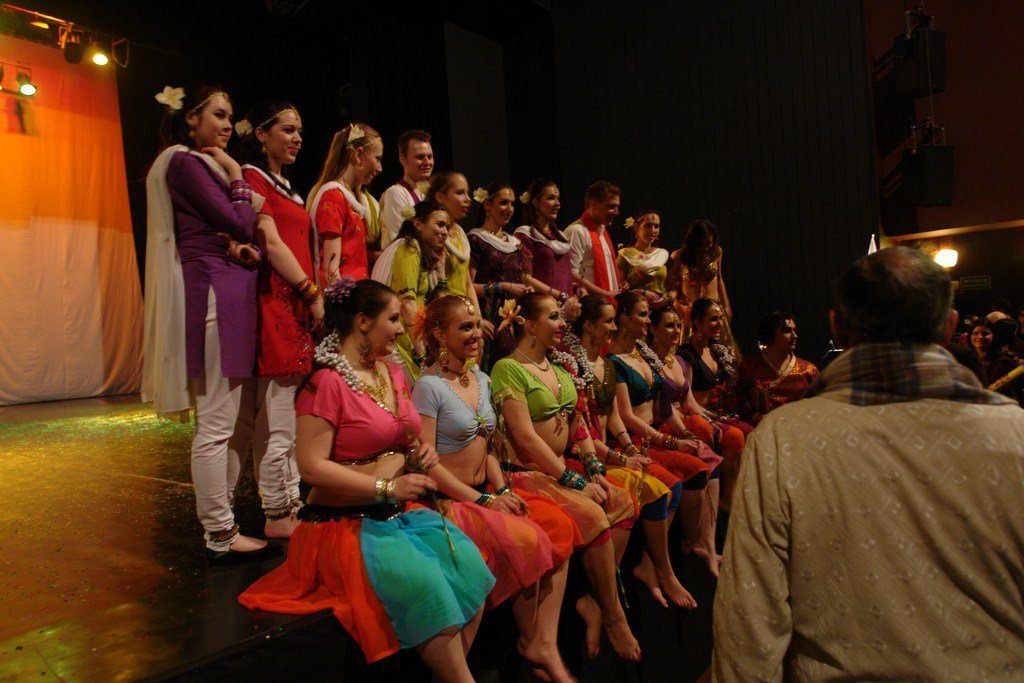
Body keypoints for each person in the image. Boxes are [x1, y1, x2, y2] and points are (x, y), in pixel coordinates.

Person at [713, 246, 1024, 681]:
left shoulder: (783, 441)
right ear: (950, 326)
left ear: (836, 326)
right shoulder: (1014, 435)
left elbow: (748, 625)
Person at [239, 279, 494, 681]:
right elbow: (311, 466)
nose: (401, 329)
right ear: (362, 321)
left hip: (394, 517)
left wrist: (418, 454)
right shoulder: (327, 383)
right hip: (344, 527)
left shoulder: (391, 373)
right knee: (428, 586)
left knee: (472, 569)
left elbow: (402, 436)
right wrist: (387, 487)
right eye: (392, 319)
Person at [412, 294, 575, 683]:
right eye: (464, 327)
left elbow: (486, 446)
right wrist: (483, 500)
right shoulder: (428, 387)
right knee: (523, 540)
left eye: (476, 326)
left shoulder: (482, 379)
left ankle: (539, 640)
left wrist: (500, 490)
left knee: (555, 526)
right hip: (447, 500)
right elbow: (428, 464)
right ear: (439, 334)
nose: (475, 334)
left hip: (485, 491)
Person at [144, 84, 272, 561]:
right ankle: (218, 532)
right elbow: (240, 221)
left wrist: (239, 245)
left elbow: (233, 230)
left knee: (232, 420)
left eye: (229, 116)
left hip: (230, 293)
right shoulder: (184, 162)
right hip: (213, 295)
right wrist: (238, 175)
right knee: (216, 423)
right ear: (190, 119)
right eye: (218, 114)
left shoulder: (200, 164)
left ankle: (224, 522)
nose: (226, 125)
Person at [490, 292, 641, 662]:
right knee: (592, 514)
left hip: (562, 469)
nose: (562, 324)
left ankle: (594, 599)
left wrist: (594, 469)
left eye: (561, 317)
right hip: (529, 473)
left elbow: (579, 426)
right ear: (529, 325)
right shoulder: (508, 368)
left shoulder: (560, 368)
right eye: (554, 317)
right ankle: (613, 614)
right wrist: (574, 481)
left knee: (622, 501)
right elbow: (525, 437)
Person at [561, 295, 695, 609]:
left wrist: (632, 449)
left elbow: (614, 419)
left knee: (669, 487)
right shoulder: (570, 367)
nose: (613, 327)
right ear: (588, 325)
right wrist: (622, 457)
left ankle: (644, 574)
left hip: (607, 448)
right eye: (608, 321)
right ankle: (606, 594)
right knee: (640, 494)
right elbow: (581, 432)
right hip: (585, 453)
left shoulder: (605, 364)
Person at [234, 100, 319, 537]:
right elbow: (269, 242)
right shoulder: (251, 177)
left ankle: (288, 502)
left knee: (286, 416)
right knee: (278, 418)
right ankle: (278, 511)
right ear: (262, 134)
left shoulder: (287, 187)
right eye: (287, 129)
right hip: (277, 301)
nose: (297, 138)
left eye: (299, 131)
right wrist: (310, 291)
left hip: (296, 303)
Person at [609, 290, 722, 576]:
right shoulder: (614, 360)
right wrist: (670, 441)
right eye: (643, 315)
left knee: (705, 459)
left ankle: (698, 543)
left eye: (649, 315)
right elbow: (626, 416)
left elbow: (665, 405)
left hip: (656, 431)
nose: (648, 321)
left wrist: (684, 434)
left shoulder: (642, 354)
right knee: (687, 473)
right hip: (637, 439)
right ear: (624, 319)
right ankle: (656, 565)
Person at [647, 302, 745, 514]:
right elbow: (667, 408)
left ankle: (730, 502)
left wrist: (713, 418)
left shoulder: (678, 360)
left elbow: (689, 401)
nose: (676, 330)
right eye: (670, 326)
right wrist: (686, 431)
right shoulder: (657, 361)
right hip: (665, 424)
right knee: (712, 434)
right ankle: (721, 507)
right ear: (653, 329)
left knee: (731, 431)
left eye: (678, 325)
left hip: (687, 416)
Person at [370, 201, 449, 381]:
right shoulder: (409, 248)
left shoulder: (419, 251)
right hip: (401, 341)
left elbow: (440, 305)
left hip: (410, 337)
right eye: (440, 224)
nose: (445, 232)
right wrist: (422, 355)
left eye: (447, 227)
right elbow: (407, 304)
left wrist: (441, 270)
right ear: (418, 224)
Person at [306, 122, 383, 282]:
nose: (380, 168)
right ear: (358, 155)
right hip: (346, 295)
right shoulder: (333, 197)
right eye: (378, 159)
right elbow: (331, 270)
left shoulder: (348, 197)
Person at [468, 182, 532, 370]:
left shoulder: (514, 243)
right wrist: (503, 287)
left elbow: (521, 278)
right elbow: (468, 286)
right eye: (504, 203)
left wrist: (526, 289)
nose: (509, 209)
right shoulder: (476, 239)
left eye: (512, 204)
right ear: (487, 205)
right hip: (490, 321)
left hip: (515, 321)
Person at [667, 219, 738, 355]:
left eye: (709, 244)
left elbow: (719, 279)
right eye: (701, 245)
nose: (705, 248)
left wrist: (726, 305)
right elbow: (670, 285)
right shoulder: (679, 256)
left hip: (714, 309)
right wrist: (678, 306)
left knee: (719, 354)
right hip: (691, 313)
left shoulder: (716, 252)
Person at [735, 311, 820, 425]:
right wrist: (756, 417)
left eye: (794, 330)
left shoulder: (808, 369)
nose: (795, 336)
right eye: (787, 331)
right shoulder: (749, 366)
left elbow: (821, 404)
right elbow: (736, 402)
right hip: (761, 428)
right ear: (770, 334)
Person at [514, 179, 578, 308]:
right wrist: (558, 295)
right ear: (536, 202)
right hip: (543, 307)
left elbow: (564, 273)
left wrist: (577, 288)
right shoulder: (525, 235)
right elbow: (525, 277)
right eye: (551, 198)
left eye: (557, 198)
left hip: (567, 304)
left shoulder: (560, 236)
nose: (557, 204)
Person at [565, 181, 621, 300]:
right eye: (611, 206)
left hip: (605, 304)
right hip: (589, 305)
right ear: (594, 204)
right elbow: (570, 273)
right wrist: (605, 293)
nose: (616, 212)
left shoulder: (601, 231)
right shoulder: (577, 231)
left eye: (617, 207)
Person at [379, 129, 433, 248]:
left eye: (429, 156)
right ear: (402, 159)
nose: (427, 162)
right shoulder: (395, 193)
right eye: (420, 157)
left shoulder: (429, 195)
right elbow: (400, 242)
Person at [616, 211, 670, 298]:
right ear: (637, 228)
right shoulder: (626, 254)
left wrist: (665, 300)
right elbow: (616, 289)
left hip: (661, 304)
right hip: (635, 304)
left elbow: (671, 287)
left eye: (656, 226)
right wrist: (642, 293)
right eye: (648, 226)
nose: (653, 230)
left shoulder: (662, 254)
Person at [971, 319, 1024, 406]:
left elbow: (1017, 394)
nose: (979, 337)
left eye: (985, 333)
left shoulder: (1005, 363)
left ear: (994, 337)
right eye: (975, 333)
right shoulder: (965, 360)